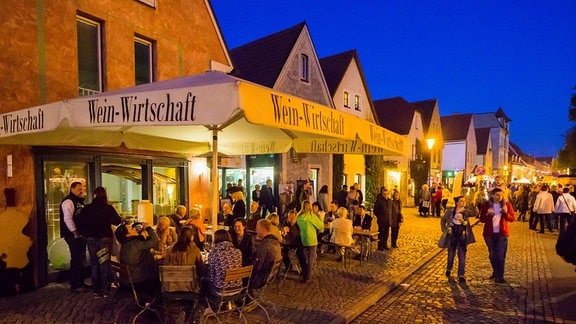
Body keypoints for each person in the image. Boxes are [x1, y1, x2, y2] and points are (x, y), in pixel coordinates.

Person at [76, 186, 122, 296]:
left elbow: (79, 222)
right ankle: (105, 289)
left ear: (94, 195)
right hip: (105, 239)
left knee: (94, 263)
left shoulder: (87, 208)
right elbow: (117, 221)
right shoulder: (108, 208)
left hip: (92, 239)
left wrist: (86, 234)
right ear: (105, 195)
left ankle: (96, 290)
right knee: (104, 263)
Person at [479, 188, 515, 283]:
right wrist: (487, 214)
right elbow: (482, 219)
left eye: (501, 195)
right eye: (497, 195)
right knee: (492, 255)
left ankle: (500, 276)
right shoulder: (486, 205)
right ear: (492, 195)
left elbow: (512, 218)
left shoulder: (507, 205)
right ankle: (495, 271)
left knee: (500, 255)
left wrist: (506, 213)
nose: (499, 197)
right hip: (489, 234)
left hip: (502, 234)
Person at [116, 221, 160, 295]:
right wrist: (148, 228)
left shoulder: (125, 244)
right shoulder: (135, 244)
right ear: (127, 235)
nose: (134, 229)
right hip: (138, 282)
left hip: (126, 281)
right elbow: (155, 241)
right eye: (131, 229)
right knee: (159, 280)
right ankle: (150, 302)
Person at [59, 181, 88, 293]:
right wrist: (75, 232)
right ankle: (75, 285)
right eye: (79, 189)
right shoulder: (68, 201)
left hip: (80, 235)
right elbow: (67, 218)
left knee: (80, 259)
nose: (81, 190)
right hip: (73, 235)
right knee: (76, 259)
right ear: (72, 189)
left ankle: (80, 281)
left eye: (82, 188)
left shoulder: (78, 201)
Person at [441, 196, 474, 283]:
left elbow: (475, 213)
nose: (463, 202)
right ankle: (449, 268)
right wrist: (445, 230)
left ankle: (461, 274)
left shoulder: (466, 212)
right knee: (451, 254)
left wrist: (474, 205)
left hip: (462, 236)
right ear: (457, 203)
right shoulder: (451, 211)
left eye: (464, 201)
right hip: (452, 234)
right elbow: (443, 220)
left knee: (462, 255)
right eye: (461, 201)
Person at [163, 227, 205, 294]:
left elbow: (166, 265)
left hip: (171, 286)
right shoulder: (195, 250)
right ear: (191, 237)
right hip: (190, 286)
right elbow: (201, 268)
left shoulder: (170, 250)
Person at [205, 229, 242, 296]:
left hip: (221, 290)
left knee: (204, 281)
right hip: (238, 288)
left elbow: (211, 275)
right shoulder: (238, 252)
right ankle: (229, 302)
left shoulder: (214, 253)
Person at [250, 219, 281, 292]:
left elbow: (257, 266)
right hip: (270, 275)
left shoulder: (265, 244)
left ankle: (246, 299)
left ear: (263, 229)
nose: (255, 230)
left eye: (257, 228)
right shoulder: (276, 242)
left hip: (260, 278)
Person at [296, 200, 324, 283]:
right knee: (311, 258)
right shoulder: (311, 216)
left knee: (304, 256)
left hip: (303, 238)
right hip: (311, 239)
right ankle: (307, 276)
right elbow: (320, 226)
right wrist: (320, 218)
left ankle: (304, 270)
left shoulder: (299, 216)